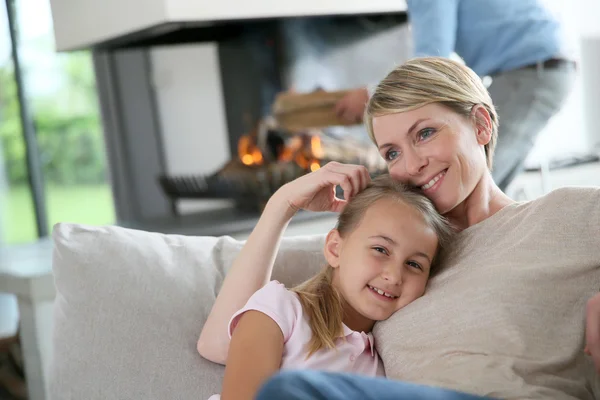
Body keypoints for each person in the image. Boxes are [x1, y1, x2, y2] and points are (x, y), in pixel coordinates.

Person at [199, 57, 600, 399]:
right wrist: (280, 207)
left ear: (481, 124)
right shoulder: (395, 259)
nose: (410, 166)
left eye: (425, 133)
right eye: (392, 153)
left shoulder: (567, 214)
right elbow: (223, 344)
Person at [203, 174, 489, 399]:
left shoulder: (379, 355)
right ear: (335, 248)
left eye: (414, 265)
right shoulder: (280, 310)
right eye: (380, 249)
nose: (394, 276)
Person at [334, 0, 577, 191]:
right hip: (541, 67)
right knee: (488, 185)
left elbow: (431, 58)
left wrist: (371, 94)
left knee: (475, 182)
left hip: (530, 71)